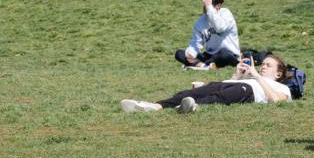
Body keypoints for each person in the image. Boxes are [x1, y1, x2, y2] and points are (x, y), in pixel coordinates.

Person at [120, 52, 297, 113]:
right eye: (263, 64)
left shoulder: (281, 87)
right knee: (192, 92)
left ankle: (190, 107)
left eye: (268, 65)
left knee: (220, 96)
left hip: (247, 90)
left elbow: (275, 100)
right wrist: (236, 75)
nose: (263, 67)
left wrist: (256, 77)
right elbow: (227, 83)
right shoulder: (249, 77)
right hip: (237, 83)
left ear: (279, 73)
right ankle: (154, 107)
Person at [174, 0, 241, 69]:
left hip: (228, 55)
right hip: (209, 56)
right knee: (179, 53)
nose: (205, 7)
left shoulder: (226, 14)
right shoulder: (200, 22)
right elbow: (196, 43)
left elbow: (219, 27)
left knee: (223, 54)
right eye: (205, 5)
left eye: (208, 5)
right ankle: (206, 65)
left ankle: (202, 65)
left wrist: (209, 8)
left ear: (218, 5)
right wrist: (191, 54)